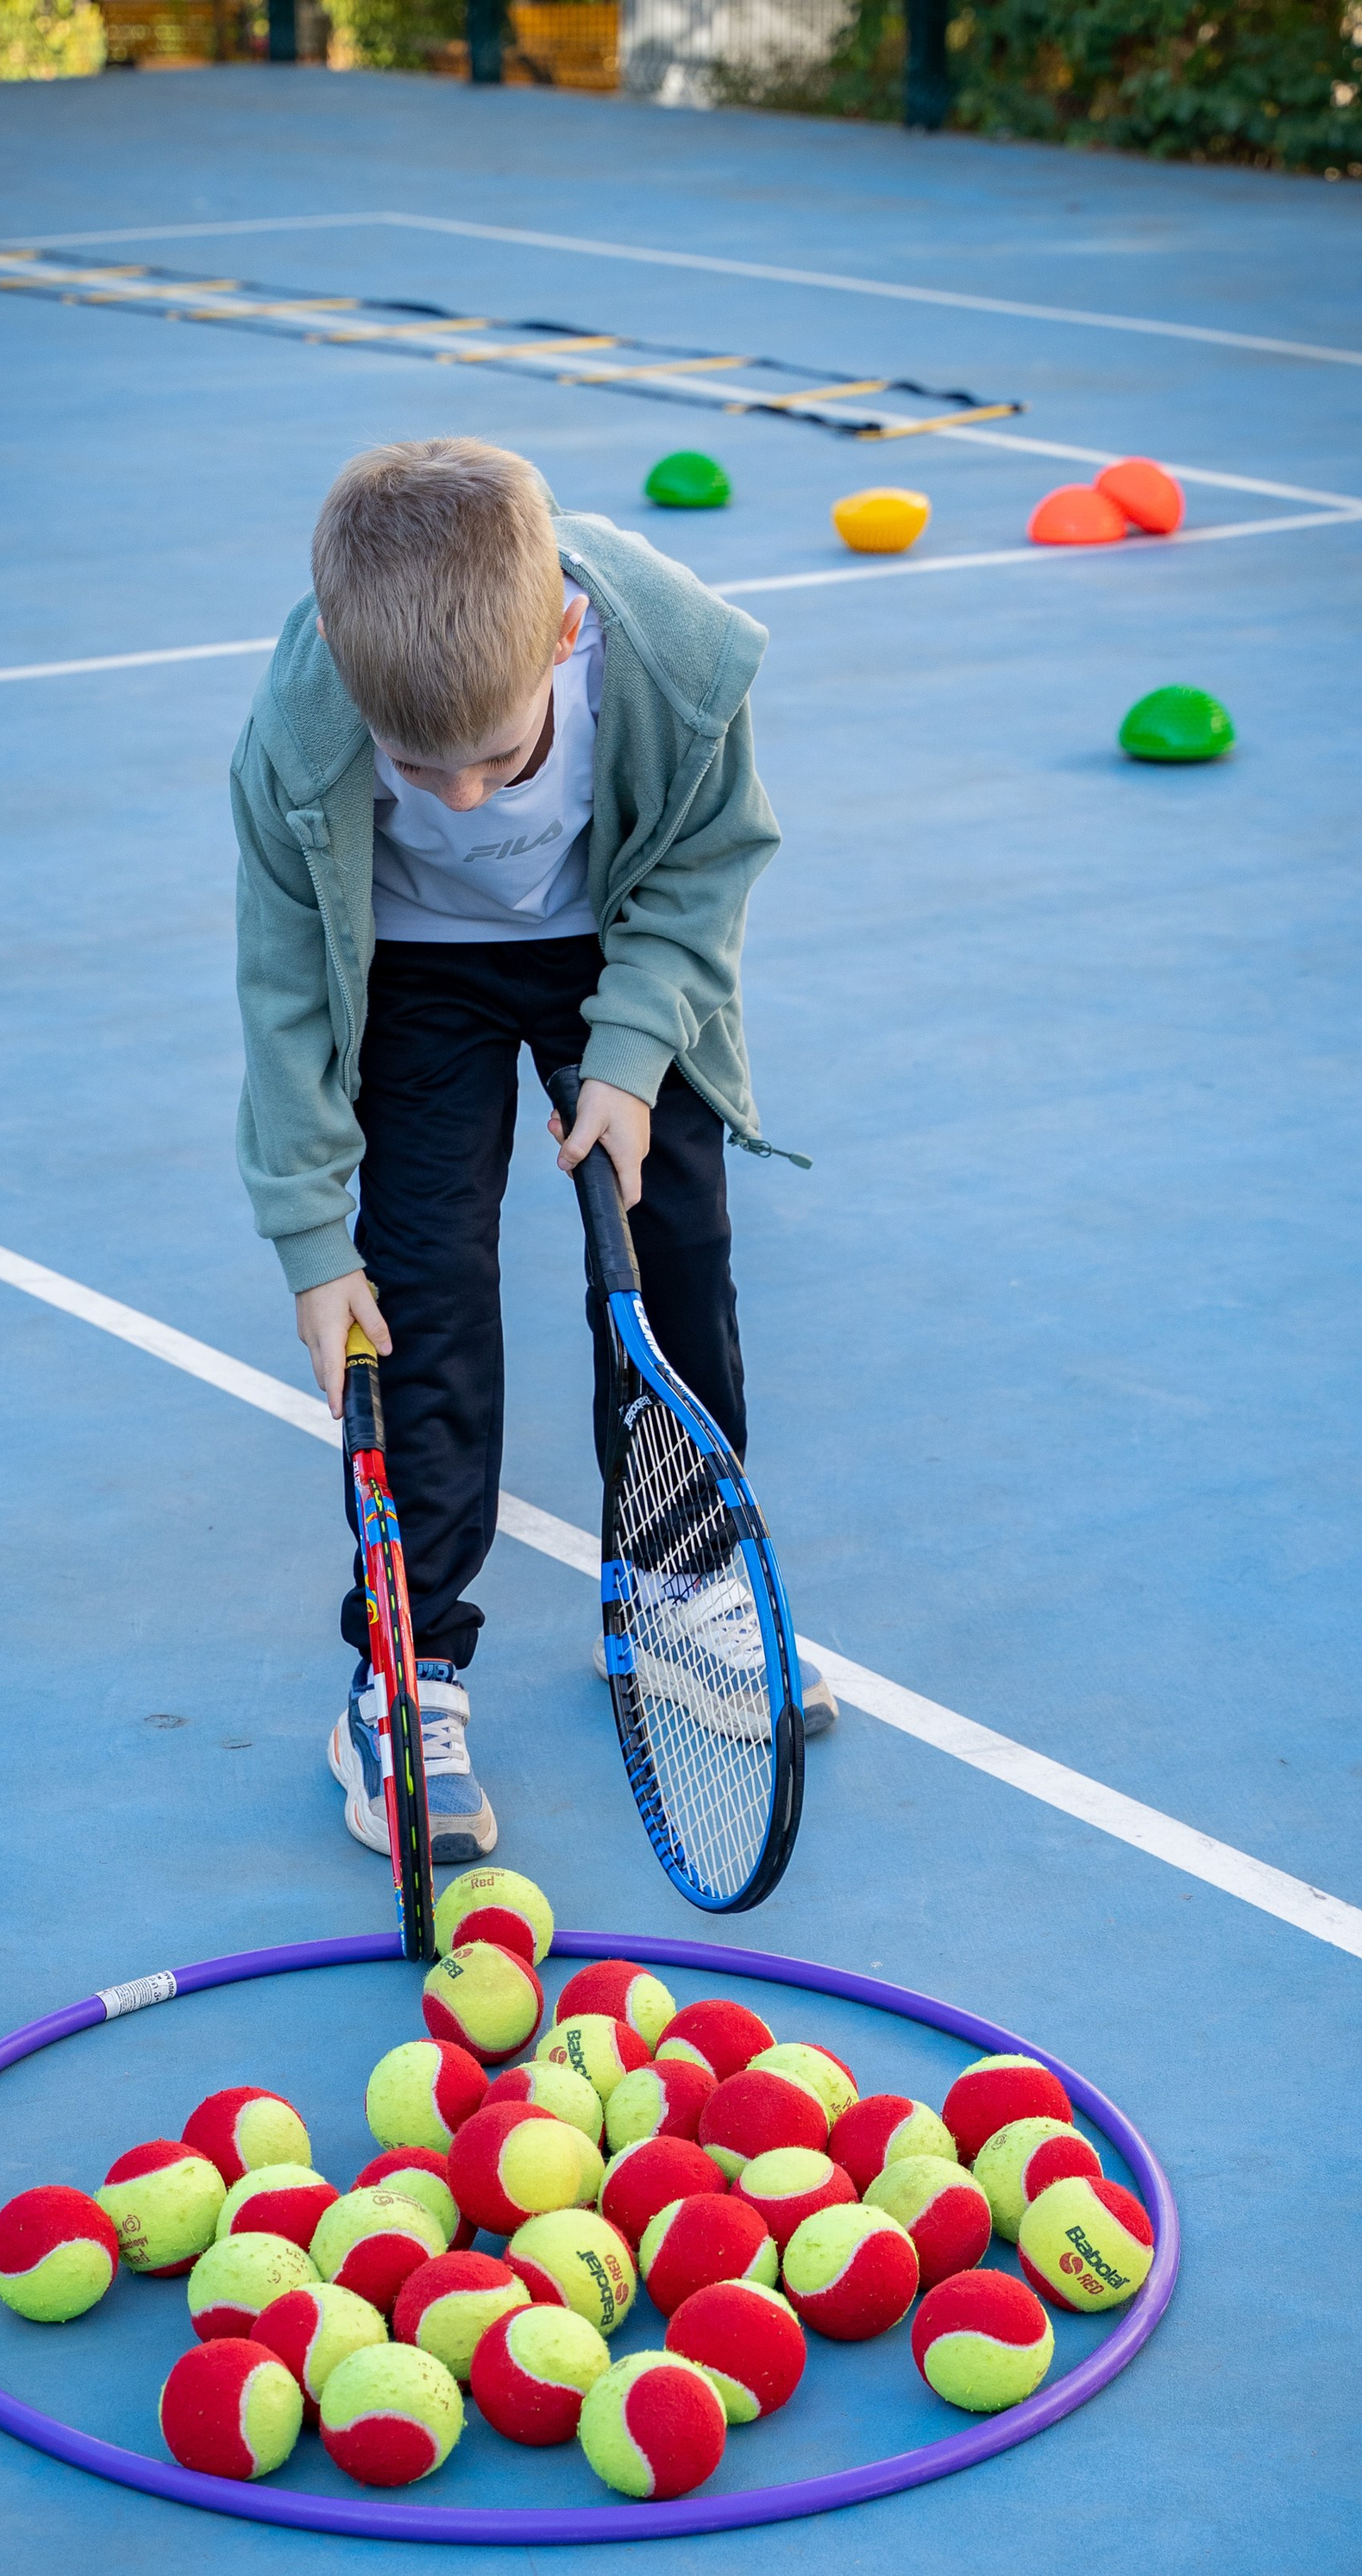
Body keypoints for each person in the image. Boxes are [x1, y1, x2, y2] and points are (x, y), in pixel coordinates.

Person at [231, 435, 832, 1864]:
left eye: (500, 759)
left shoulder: (670, 661)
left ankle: (680, 1589)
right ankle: (406, 1668)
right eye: (414, 769)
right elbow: (284, 990)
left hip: (612, 947)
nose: (459, 801)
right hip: (414, 979)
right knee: (421, 1286)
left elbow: (701, 866)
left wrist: (630, 1059)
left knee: (671, 1236)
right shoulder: (299, 723)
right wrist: (317, 1246)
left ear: (565, 635)